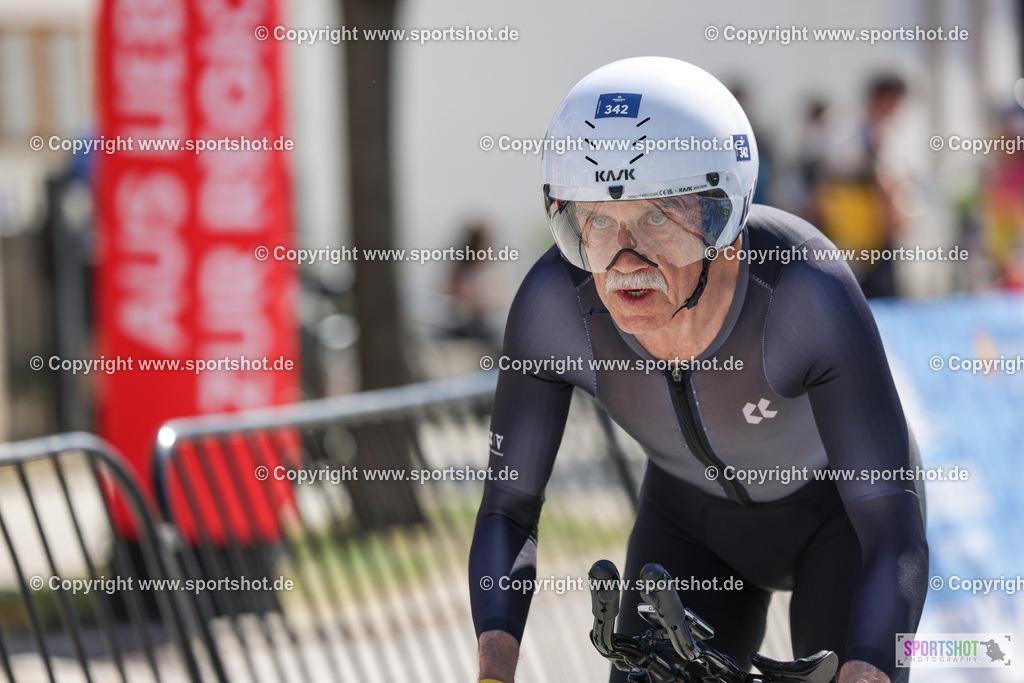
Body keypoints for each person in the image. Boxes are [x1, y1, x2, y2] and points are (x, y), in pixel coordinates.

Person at [468, 57, 928, 683]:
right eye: (595, 223)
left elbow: (892, 533)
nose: (626, 262)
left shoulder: (803, 287)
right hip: (690, 531)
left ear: (724, 223)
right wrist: (495, 671)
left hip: (843, 524)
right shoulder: (555, 304)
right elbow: (508, 509)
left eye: (658, 219)